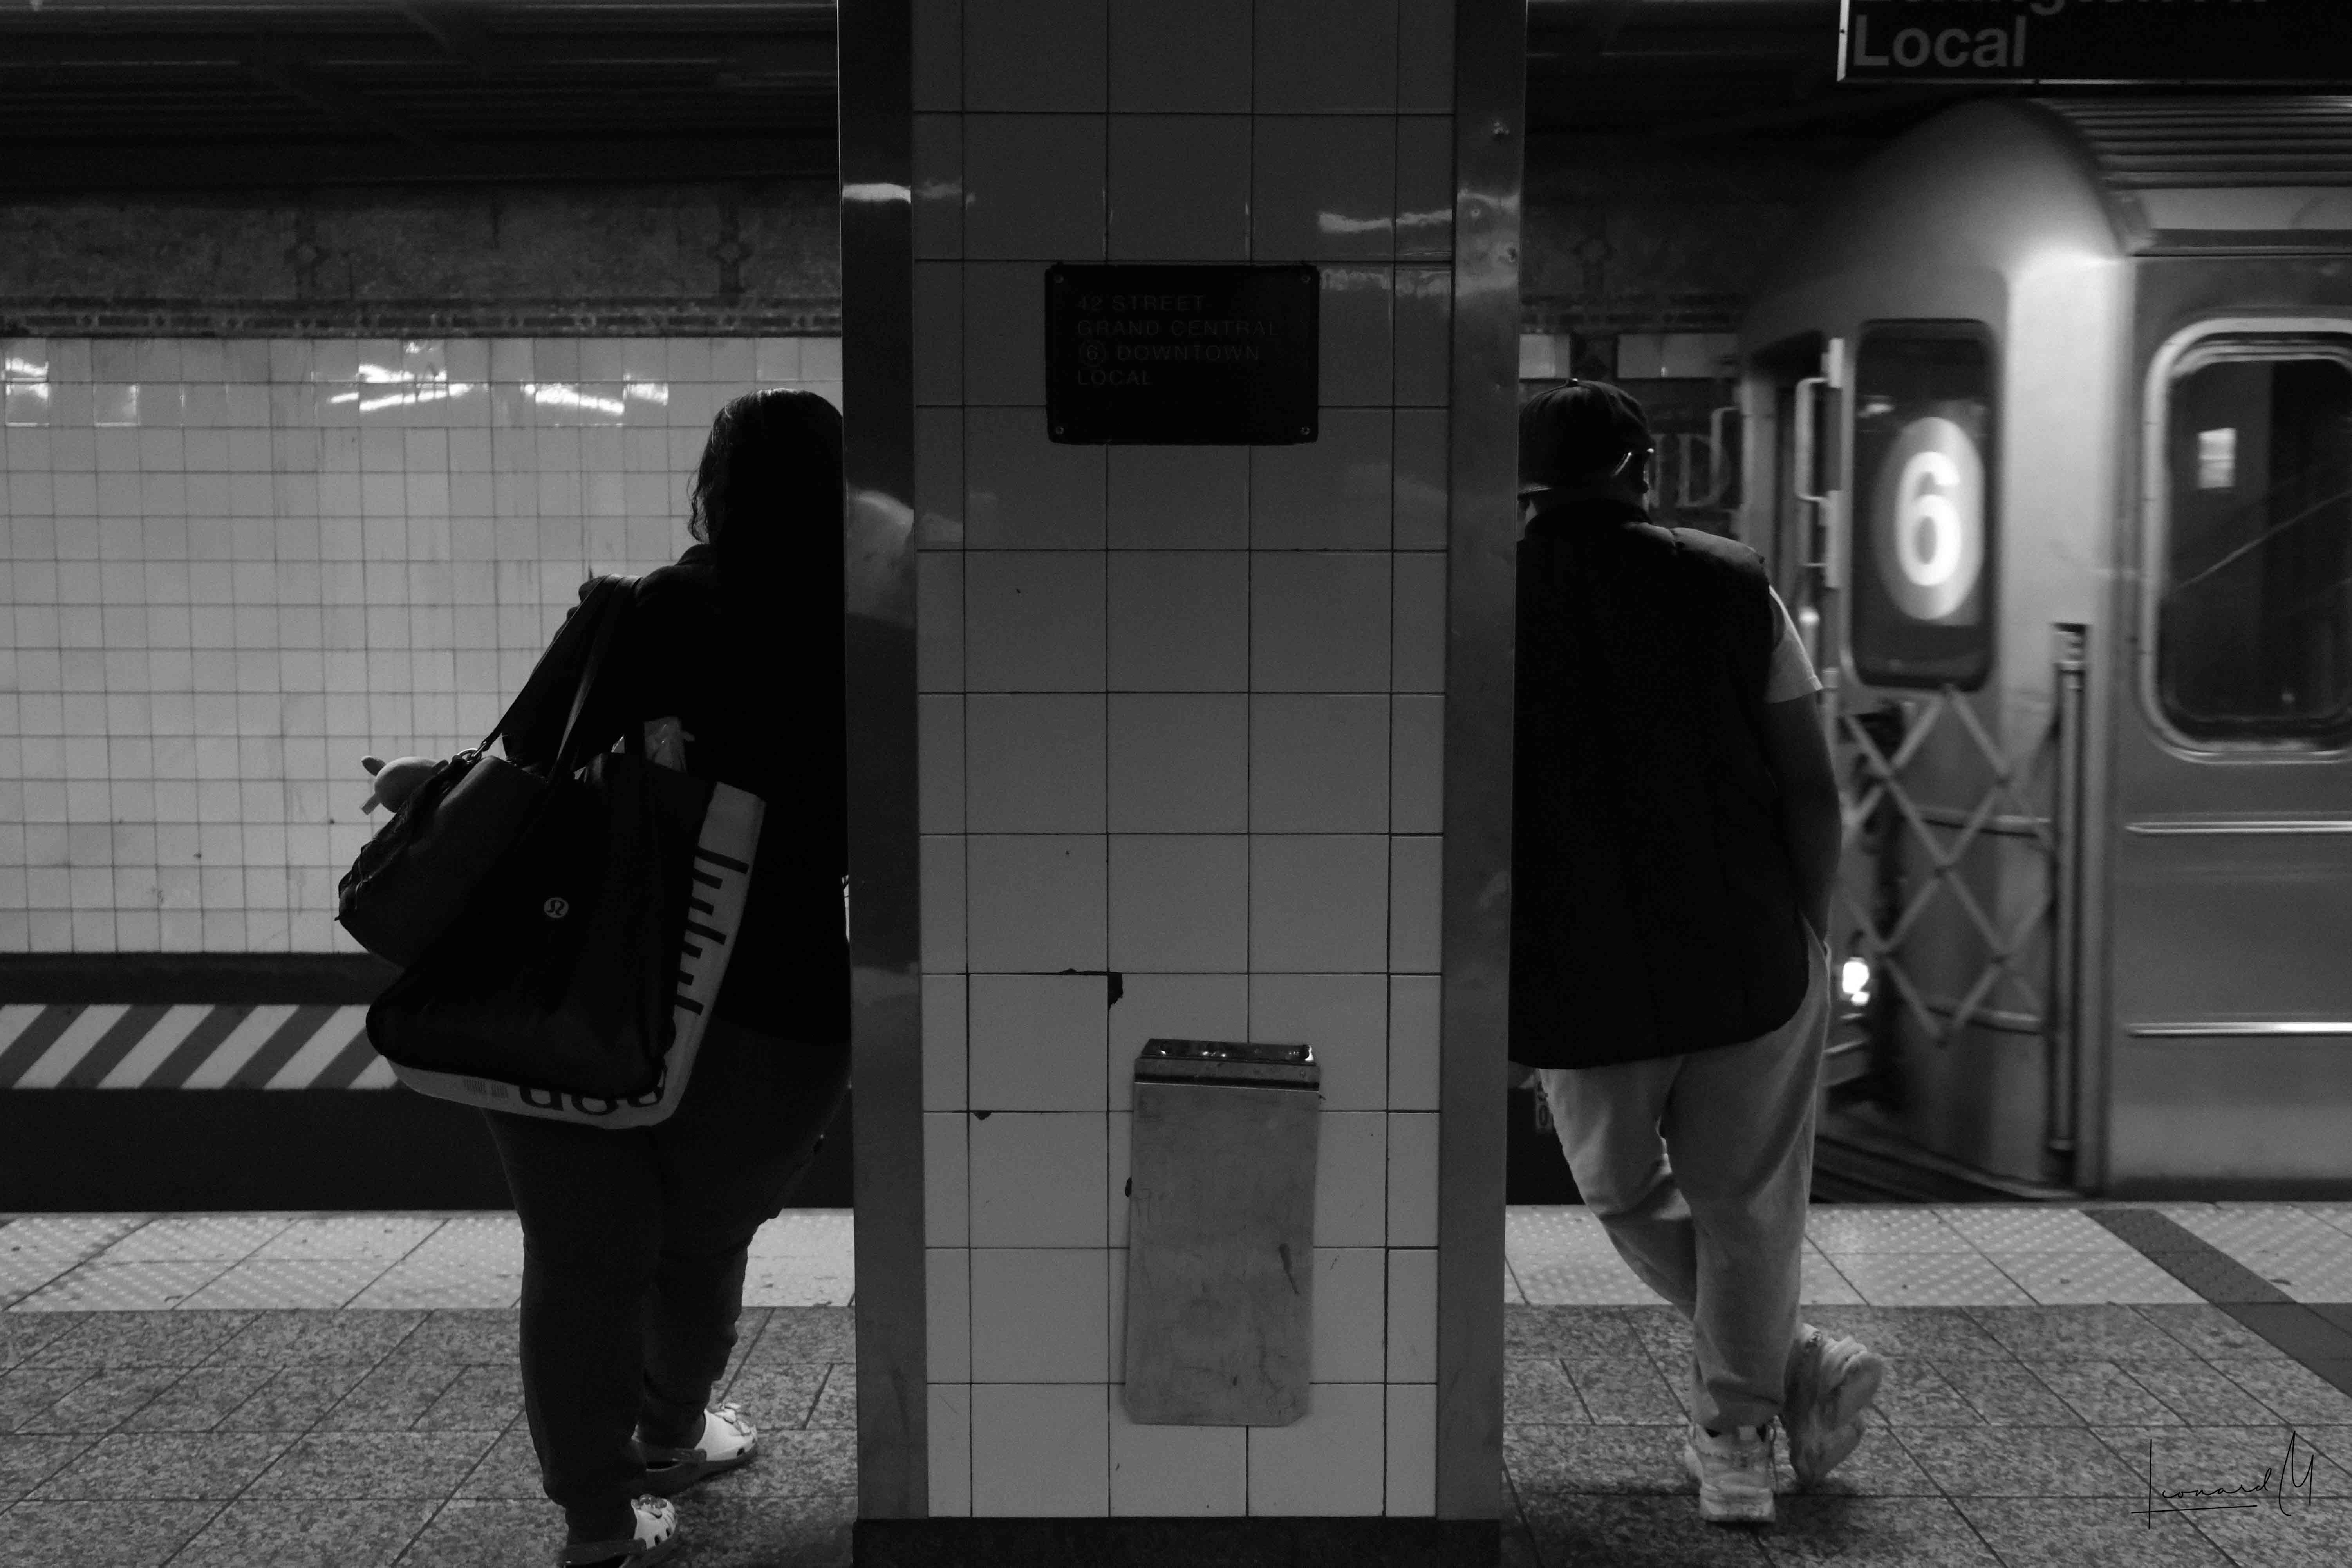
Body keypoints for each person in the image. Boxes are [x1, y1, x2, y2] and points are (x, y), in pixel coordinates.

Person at [361, 388, 852, 1568]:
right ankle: (674, 1429)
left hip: (573, 987)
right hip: (777, 1004)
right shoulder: (879, 632)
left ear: (711, 492)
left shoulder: (641, 615)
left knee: (584, 1257)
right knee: (700, 1241)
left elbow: (521, 763)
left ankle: (599, 1518)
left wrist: (412, 781)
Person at [1508, 379, 1886, 1526]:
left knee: (1622, 1190)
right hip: (1747, 952)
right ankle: (1751, 1424)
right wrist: (1812, 932)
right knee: (1748, 1208)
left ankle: (1764, 1399)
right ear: (1643, 470)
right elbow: (1811, 787)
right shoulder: (1733, 584)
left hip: (1578, 970)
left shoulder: (1481, 595)